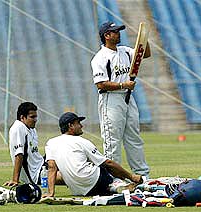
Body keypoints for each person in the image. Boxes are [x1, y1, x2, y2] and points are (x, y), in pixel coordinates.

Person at [91, 21, 150, 178]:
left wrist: (144, 39)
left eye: (118, 31)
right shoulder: (100, 58)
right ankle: (113, 179)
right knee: (112, 141)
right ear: (107, 36)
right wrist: (123, 84)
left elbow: (146, 54)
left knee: (134, 138)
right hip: (111, 100)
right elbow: (100, 84)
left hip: (128, 98)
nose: (118, 34)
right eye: (115, 31)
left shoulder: (125, 51)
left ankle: (142, 175)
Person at [44, 112, 143, 196]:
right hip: (95, 179)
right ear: (70, 126)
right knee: (104, 165)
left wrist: (51, 193)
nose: (81, 126)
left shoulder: (51, 143)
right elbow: (108, 163)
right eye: (78, 123)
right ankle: (118, 183)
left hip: (78, 190)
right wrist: (131, 176)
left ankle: (113, 187)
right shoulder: (81, 141)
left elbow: (52, 168)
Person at [4, 102, 44, 186]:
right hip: (35, 174)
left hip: (42, 164)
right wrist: (15, 180)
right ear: (22, 117)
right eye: (32, 117)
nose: (35, 119)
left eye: (36, 116)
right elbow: (19, 154)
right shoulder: (18, 127)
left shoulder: (32, 129)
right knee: (66, 175)